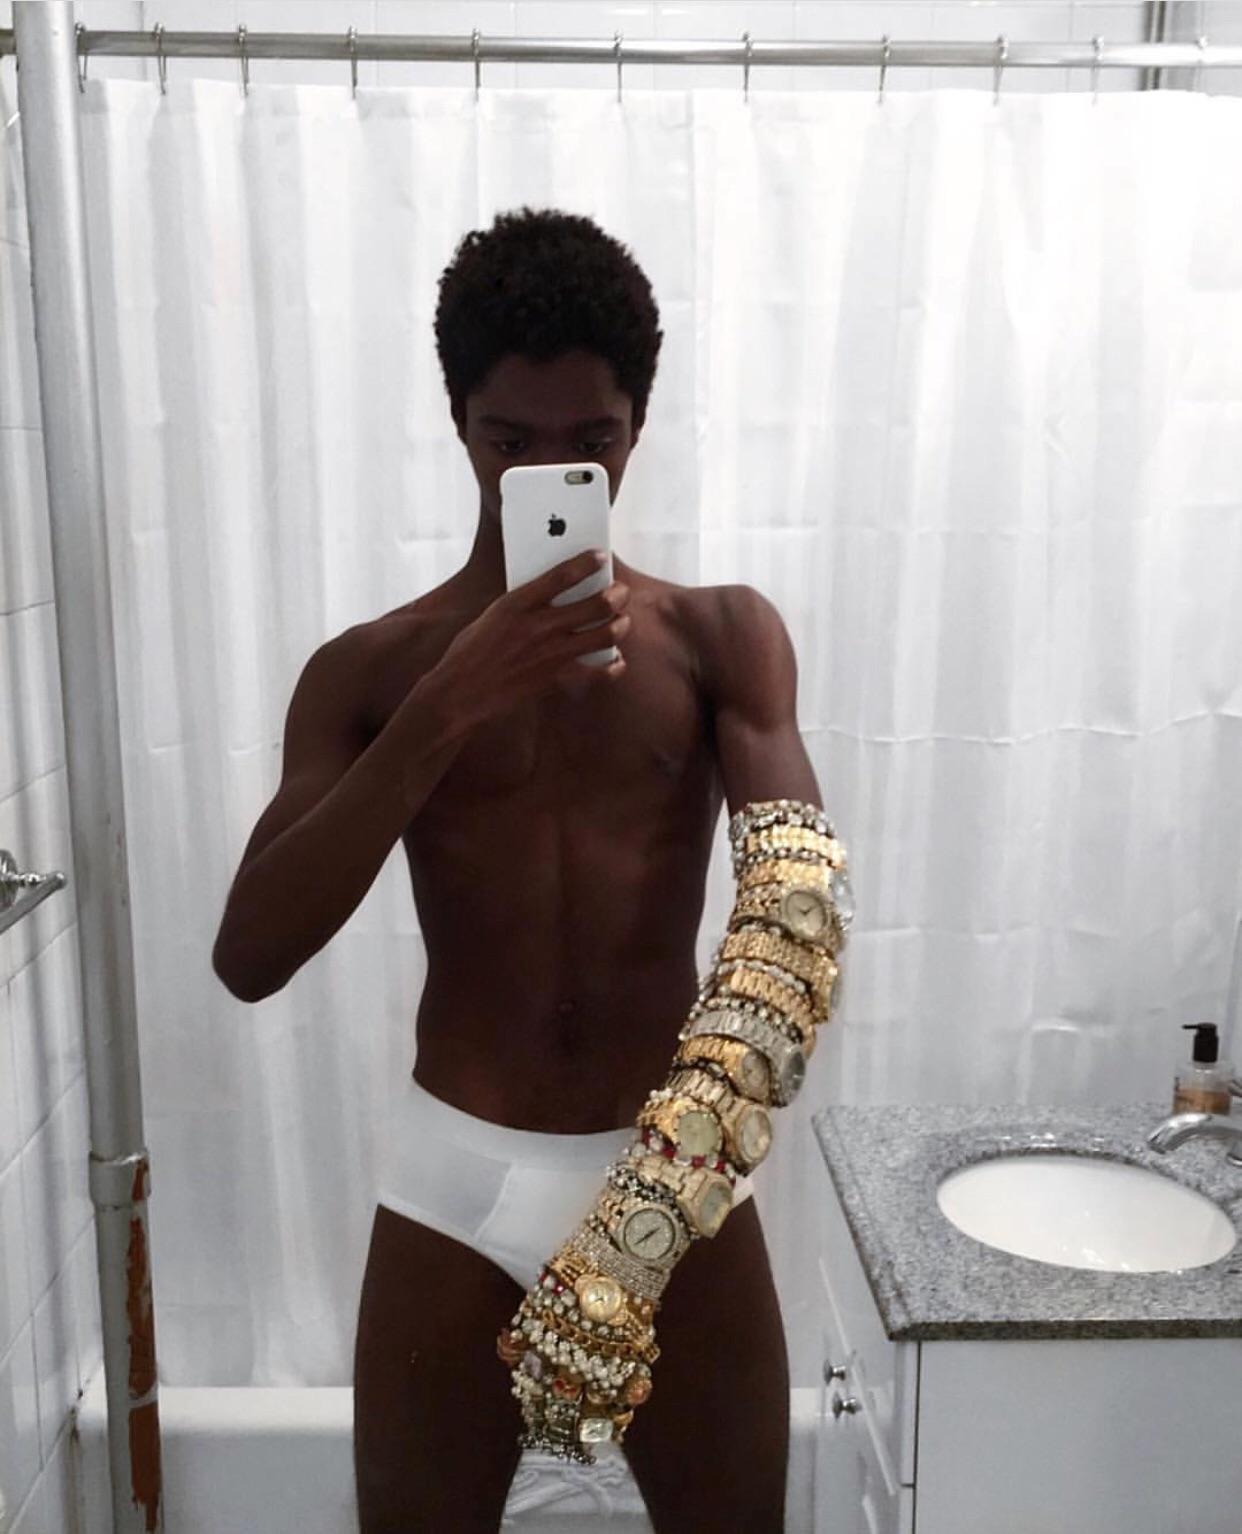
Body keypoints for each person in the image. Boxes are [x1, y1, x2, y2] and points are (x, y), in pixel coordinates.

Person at [212, 206, 825, 1533]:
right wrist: (447, 705)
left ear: (637, 427)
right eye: (511, 441)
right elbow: (248, 955)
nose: (550, 468)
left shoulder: (719, 638)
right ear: (458, 423)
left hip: (670, 1167)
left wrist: (670, 1175)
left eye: (589, 441)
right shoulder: (375, 671)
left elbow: (795, 924)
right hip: (460, 1176)